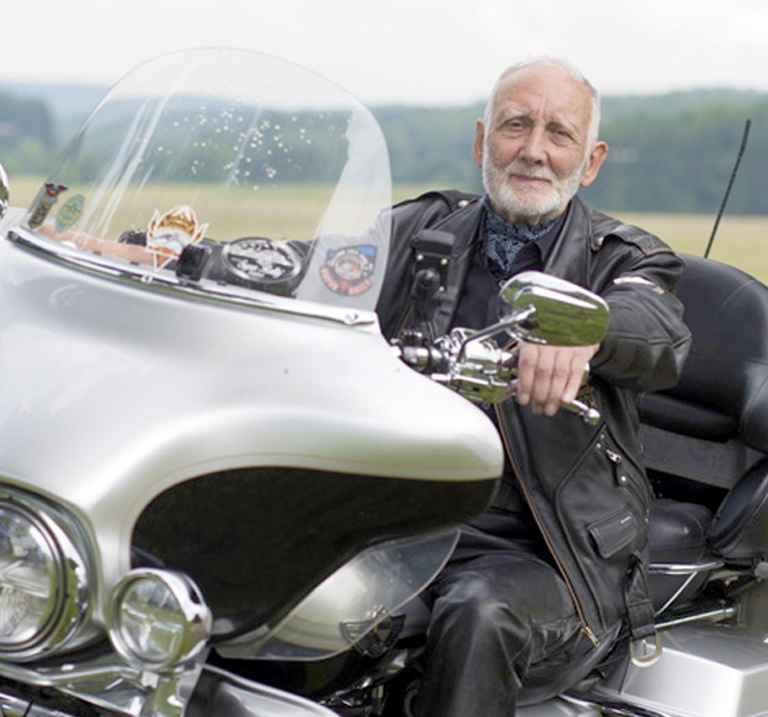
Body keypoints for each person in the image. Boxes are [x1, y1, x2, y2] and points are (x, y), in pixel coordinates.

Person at [375, 58, 692, 716]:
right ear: (482, 140)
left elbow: (658, 330)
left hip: (548, 553)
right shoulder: (423, 230)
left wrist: (590, 329)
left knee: (479, 611)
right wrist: (173, 254)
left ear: (592, 159)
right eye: (516, 125)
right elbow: (323, 263)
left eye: (558, 132)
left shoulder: (621, 259)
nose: (534, 150)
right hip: (404, 523)